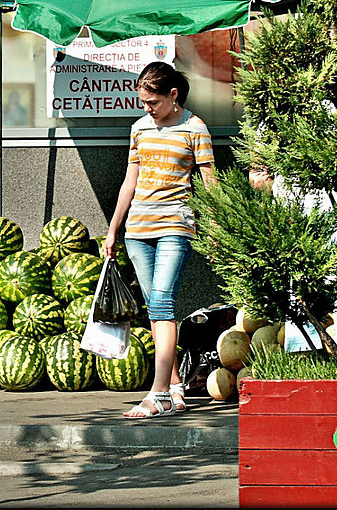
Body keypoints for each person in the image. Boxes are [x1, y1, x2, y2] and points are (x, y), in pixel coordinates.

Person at [105, 61, 216, 419]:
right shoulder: (140, 128)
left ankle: (158, 393)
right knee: (156, 308)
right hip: (138, 229)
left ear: (173, 95)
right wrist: (114, 228)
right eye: (143, 101)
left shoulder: (195, 128)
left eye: (152, 102)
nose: (147, 109)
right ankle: (177, 388)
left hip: (175, 225)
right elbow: (129, 181)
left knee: (164, 302)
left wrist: (216, 228)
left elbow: (209, 182)